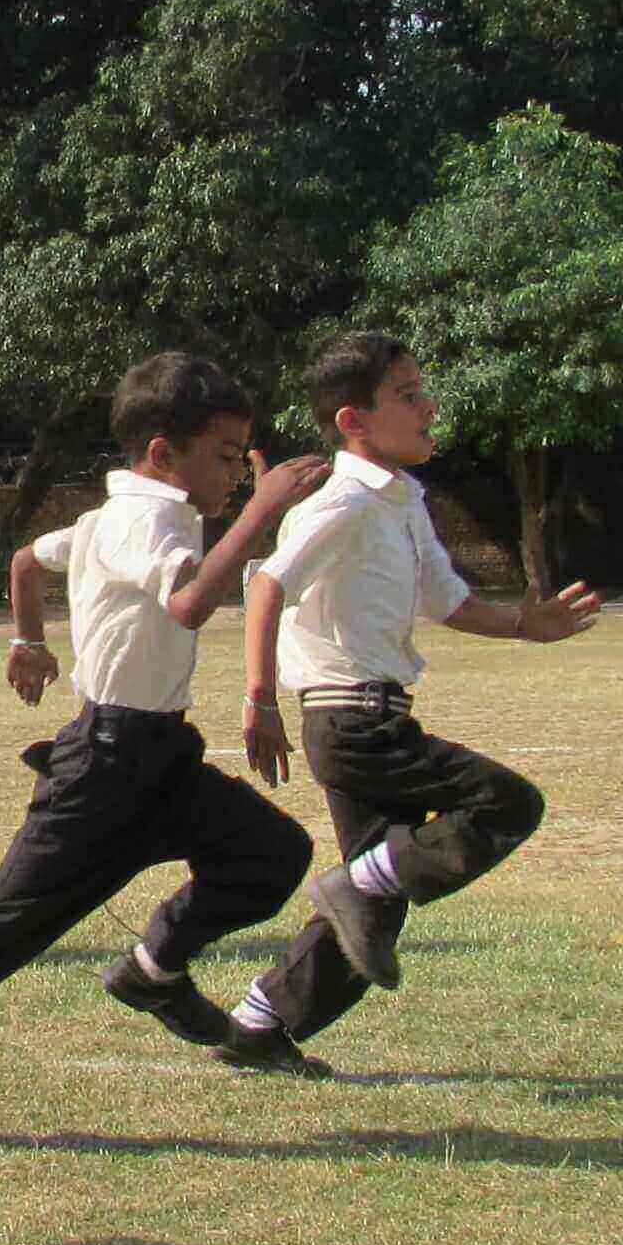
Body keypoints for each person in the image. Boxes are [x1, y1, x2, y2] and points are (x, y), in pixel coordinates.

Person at [0, 356, 327, 1140]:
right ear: (161, 454)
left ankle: (153, 971)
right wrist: (265, 509)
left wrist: (28, 640)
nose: (234, 472)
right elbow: (187, 603)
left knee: (273, 852)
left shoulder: (115, 519)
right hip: (104, 767)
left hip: (162, 758)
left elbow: (25, 560)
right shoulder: (138, 521)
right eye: (224, 455)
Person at [225, 329, 602, 1072]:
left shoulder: (401, 499)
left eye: (422, 390)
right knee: (507, 803)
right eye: (407, 395)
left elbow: (448, 600)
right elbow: (268, 583)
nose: (429, 406)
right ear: (352, 422)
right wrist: (260, 700)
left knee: (376, 906)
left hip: (374, 715)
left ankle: (258, 1024)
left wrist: (525, 625)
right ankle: (351, 887)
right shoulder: (343, 503)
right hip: (350, 720)